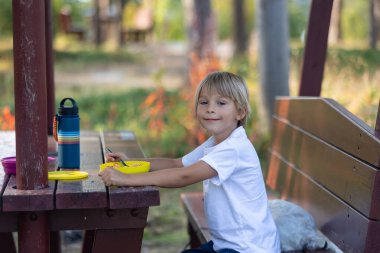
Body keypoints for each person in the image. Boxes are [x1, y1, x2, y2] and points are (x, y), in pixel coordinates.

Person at [98, 71, 280, 253]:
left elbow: (185, 176)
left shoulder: (233, 148)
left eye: (221, 103)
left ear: (240, 112)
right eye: (204, 102)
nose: (210, 108)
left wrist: (124, 179)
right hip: (227, 245)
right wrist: (131, 163)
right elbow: (177, 164)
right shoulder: (217, 141)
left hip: (249, 248)